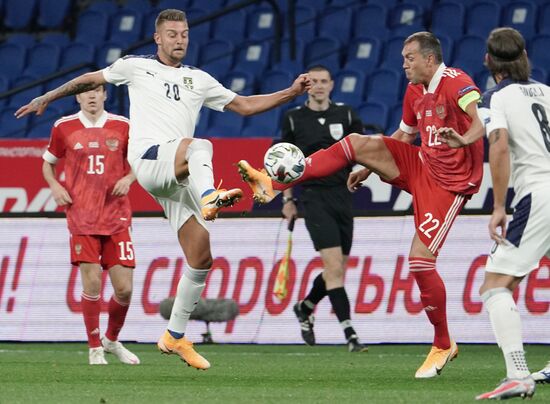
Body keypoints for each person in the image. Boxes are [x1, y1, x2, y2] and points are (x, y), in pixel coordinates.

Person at [17, 9, 311, 370]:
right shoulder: (135, 67)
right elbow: (89, 78)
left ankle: (174, 335)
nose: (179, 39)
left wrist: (292, 92)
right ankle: (215, 196)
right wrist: (49, 95)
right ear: (158, 38)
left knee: (201, 258)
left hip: (176, 176)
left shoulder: (198, 79)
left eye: (184, 33)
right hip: (150, 159)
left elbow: (245, 106)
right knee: (200, 146)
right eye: (172, 34)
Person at [238, 31, 485, 378]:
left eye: (409, 58)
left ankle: (443, 343)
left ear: (430, 59)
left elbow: (480, 123)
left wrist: (462, 139)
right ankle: (273, 182)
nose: (403, 64)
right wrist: (368, 166)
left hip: (449, 183)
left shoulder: (456, 80)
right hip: (421, 164)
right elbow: (402, 136)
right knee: (355, 142)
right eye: (403, 58)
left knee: (419, 263)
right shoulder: (415, 90)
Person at [439, 27, 547, 400]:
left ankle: (518, 373)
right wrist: (468, 137)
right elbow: (499, 128)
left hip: (539, 194)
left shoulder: (495, 96)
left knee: (495, 285)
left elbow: (499, 144)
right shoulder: (547, 93)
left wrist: (499, 206)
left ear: (488, 60)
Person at [42, 85, 140, 365]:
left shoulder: (123, 126)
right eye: (86, 93)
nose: (92, 96)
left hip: (117, 216)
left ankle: (111, 340)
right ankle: (95, 347)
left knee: (125, 289)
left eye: (97, 91)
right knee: (93, 282)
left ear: (105, 95)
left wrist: (128, 179)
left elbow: (140, 162)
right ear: (78, 97)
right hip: (82, 216)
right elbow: (47, 164)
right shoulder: (64, 127)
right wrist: (55, 186)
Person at [280, 65, 367, 352]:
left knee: (337, 269)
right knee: (333, 267)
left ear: (331, 85)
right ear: (306, 86)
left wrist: (366, 171)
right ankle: (350, 332)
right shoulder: (293, 118)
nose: (318, 86)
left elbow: (366, 151)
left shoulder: (348, 115)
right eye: (312, 81)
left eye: (323, 81)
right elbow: (284, 164)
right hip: (314, 198)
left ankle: (305, 307)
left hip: (343, 196)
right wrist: (288, 200)